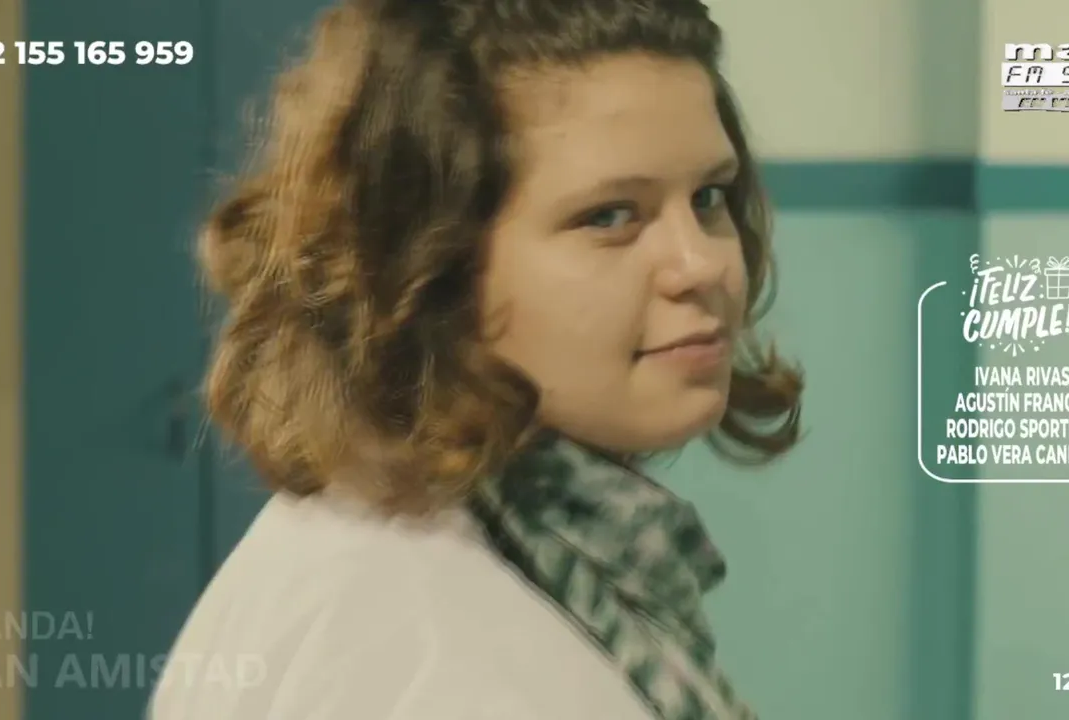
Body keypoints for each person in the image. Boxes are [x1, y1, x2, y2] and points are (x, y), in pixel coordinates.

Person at [148, 0, 802, 717]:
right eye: (610, 216)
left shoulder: (366, 537)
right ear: (428, 264)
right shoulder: (443, 661)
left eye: (708, 197)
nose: (702, 263)